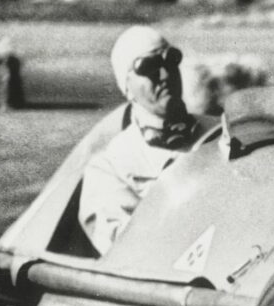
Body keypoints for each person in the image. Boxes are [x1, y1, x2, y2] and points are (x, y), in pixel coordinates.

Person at [79, 26, 216, 255]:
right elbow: (128, 253)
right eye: (149, 67)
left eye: (170, 61)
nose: (165, 75)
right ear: (127, 87)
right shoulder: (109, 168)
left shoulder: (224, 130)